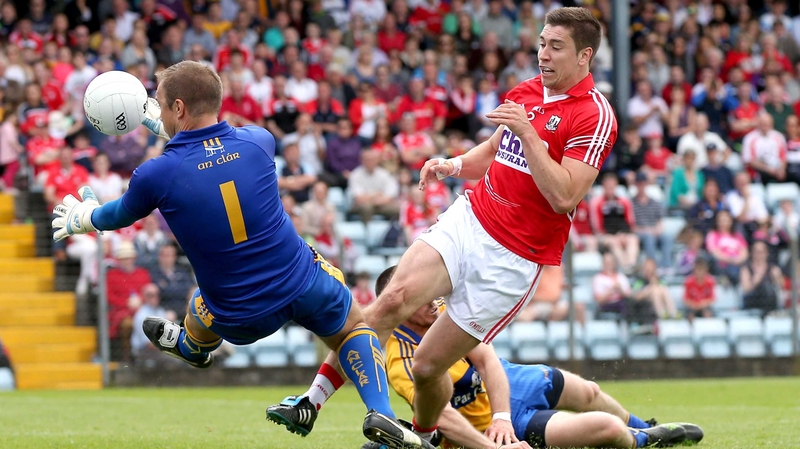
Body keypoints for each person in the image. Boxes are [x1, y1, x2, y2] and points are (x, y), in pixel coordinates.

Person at [269, 9, 618, 446]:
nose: (542, 54)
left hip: (513, 258)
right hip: (471, 217)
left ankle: (423, 436)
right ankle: (311, 401)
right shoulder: (526, 92)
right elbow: (495, 149)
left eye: (555, 46)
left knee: (429, 367)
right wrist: (452, 164)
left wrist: (529, 134)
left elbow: (564, 196)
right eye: (542, 43)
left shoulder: (594, 115)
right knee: (390, 300)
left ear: (585, 56)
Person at [50, 61, 430, 449]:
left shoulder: (156, 174)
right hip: (302, 283)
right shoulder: (259, 141)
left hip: (240, 316)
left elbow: (119, 214)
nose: (158, 111)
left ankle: (193, 348)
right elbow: (213, 146)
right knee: (353, 325)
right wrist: (161, 120)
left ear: (178, 109)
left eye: (161, 104)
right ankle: (379, 409)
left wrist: (84, 218)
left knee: (200, 304)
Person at [363, 266, 699, 449]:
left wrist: (502, 414)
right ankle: (643, 442)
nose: (431, 297)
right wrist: (497, 443)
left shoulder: (445, 312)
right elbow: (444, 417)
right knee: (609, 430)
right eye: (419, 295)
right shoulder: (402, 360)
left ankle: (647, 428)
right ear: (400, 305)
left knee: (590, 393)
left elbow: (489, 360)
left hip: (512, 387)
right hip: (494, 429)